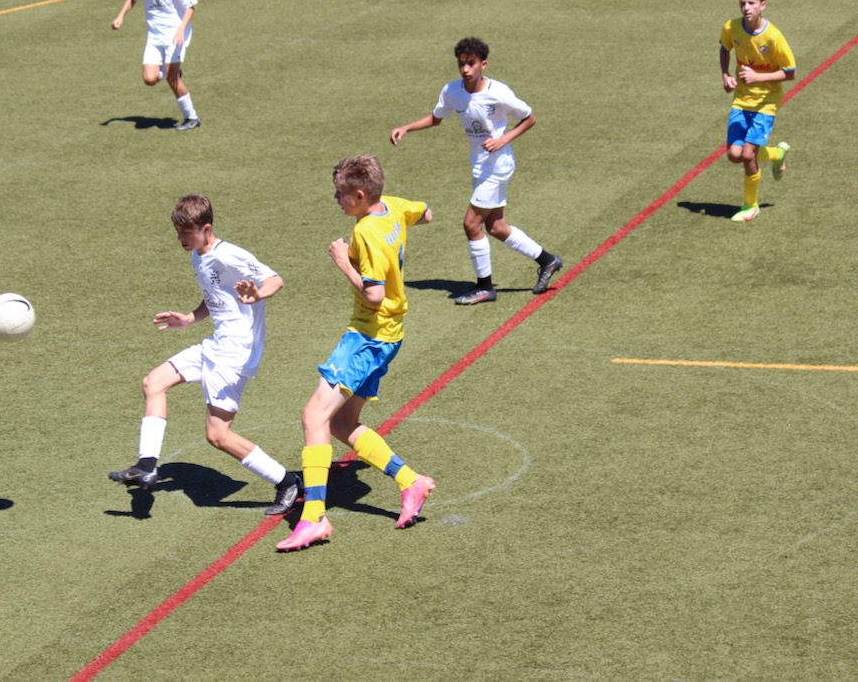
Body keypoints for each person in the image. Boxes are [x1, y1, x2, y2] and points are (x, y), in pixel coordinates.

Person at [276, 155, 436, 552]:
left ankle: (314, 517)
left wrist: (343, 262)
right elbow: (427, 213)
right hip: (391, 336)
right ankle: (411, 482)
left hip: (367, 336)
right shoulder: (392, 207)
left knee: (314, 416)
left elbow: (374, 294)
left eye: (341, 194)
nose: (336, 199)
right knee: (342, 423)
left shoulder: (364, 232)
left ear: (361, 195)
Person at [109, 195, 301, 516]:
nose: (181, 239)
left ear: (206, 229)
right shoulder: (199, 257)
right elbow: (216, 298)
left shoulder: (229, 255)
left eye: (187, 232)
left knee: (218, 436)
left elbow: (275, 280)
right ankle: (146, 467)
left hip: (235, 354)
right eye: (178, 232)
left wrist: (257, 294)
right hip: (215, 345)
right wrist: (189, 318)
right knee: (153, 382)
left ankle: (288, 482)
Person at [390, 37, 562, 305]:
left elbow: (529, 118)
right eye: (461, 64)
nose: (465, 69)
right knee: (496, 227)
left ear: (484, 64)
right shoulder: (452, 91)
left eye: (471, 64)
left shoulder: (499, 92)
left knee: (471, 224)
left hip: (498, 166)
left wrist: (503, 140)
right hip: (480, 166)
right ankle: (548, 260)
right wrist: (406, 128)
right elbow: (437, 118)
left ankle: (485, 287)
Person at [719, 0, 796, 222]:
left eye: (751, 3)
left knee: (747, 155)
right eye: (742, 3)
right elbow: (724, 48)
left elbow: (790, 72)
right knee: (735, 154)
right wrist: (726, 75)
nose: (746, 8)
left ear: (763, 5)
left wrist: (757, 77)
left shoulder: (773, 36)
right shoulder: (731, 27)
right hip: (742, 100)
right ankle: (777, 154)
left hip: (766, 102)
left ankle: (751, 206)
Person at [111, 0, 201, 131]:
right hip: (153, 37)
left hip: (174, 35)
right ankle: (166, 70)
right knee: (149, 79)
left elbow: (190, 8)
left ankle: (192, 118)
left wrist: (181, 29)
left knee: (172, 79)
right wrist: (120, 16)